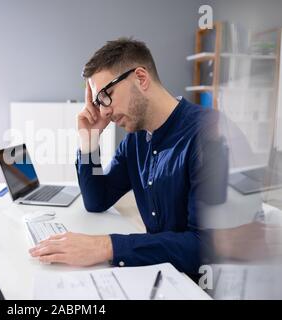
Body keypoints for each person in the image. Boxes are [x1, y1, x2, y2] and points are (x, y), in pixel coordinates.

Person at [29, 37, 227, 276]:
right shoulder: (135, 141)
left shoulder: (208, 134)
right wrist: (89, 141)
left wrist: (106, 246)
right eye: (98, 102)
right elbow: (97, 200)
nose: (104, 111)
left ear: (141, 78)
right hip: (159, 274)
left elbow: (204, 248)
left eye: (106, 94)